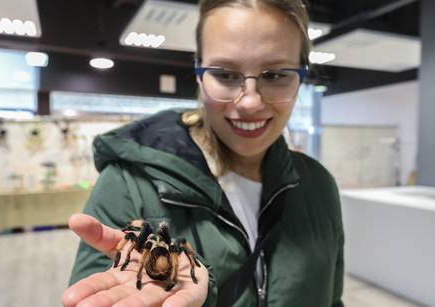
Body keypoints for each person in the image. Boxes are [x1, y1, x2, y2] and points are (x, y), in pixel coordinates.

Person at [62, 0, 344, 306]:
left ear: (301, 76)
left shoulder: (318, 185)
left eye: (275, 75)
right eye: (225, 74)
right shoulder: (129, 184)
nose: (250, 102)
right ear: (199, 73)